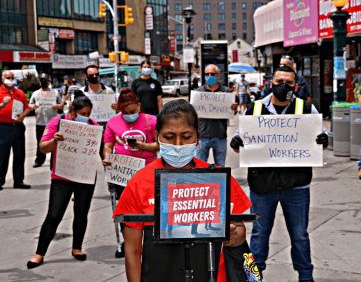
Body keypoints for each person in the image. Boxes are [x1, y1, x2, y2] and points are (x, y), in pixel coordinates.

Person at [112, 99, 252, 282]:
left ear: (198, 137)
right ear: (157, 137)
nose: (178, 144)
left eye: (186, 137)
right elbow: (132, 250)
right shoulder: (139, 182)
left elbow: (240, 233)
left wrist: (233, 234)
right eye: (169, 137)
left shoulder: (218, 178)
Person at [230, 65, 329, 282]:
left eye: (289, 82)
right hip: (262, 184)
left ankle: (306, 277)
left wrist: (324, 140)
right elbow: (239, 145)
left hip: (297, 184)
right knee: (258, 235)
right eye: (279, 81)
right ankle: (253, 276)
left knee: (300, 236)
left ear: (296, 85)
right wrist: (236, 143)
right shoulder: (254, 109)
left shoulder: (307, 109)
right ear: (270, 83)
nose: (283, 86)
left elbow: (320, 139)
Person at [27, 91, 100, 269]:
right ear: (73, 111)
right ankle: (39, 254)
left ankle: (77, 248)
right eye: (83, 114)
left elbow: (101, 145)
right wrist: (54, 139)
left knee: (81, 214)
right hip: (62, 176)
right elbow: (43, 148)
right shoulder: (57, 122)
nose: (87, 117)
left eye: (89, 114)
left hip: (85, 176)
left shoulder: (92, 124)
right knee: (53, 215)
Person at [102, 88, 159, 257]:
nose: (129, 115)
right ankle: (128, 241)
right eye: (125, 112)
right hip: (121, 172)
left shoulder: (152, 120)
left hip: (147, 171)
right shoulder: (112, 122)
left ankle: (149, 241)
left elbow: (160, 145)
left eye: (133, 111)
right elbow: (107, 145)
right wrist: (107, 158)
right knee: (124, 208)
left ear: (139, 106)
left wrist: (143, 146)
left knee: (148, 207)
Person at [195, 64, 238, 168]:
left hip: (220, 135)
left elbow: (232, 113)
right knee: (200, 167)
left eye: (212, 74)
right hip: (202, 136)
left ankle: (220, 185)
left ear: (217, 76)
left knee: (220, 167)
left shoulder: (226, 91)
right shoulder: (198, 92)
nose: (209, 76)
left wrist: (234, 109)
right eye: (207, 74)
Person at [0, 71, 31, 190]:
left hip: (18, 127)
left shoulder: (19, 92)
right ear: (2, 79)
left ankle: (18, 180)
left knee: (19, 154)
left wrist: (23, 115)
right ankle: (0, 180)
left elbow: (27, 108)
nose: (10, 79)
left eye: (12, 78)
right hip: (3, 127)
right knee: (3, 155)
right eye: (8, 78)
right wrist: (3, 104)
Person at [29, 73, 64, 168]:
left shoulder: (55, 93)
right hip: (40, 122)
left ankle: (54, 162)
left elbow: (62, 105)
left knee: (54, 142)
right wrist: (32, 106)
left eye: (45, 80)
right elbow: (29, 105)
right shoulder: (36, 93)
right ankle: (39, 160)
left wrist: (59, 106)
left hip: (52, 123)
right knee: (40, 142)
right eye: (42, 80)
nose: (44, 82)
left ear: (49, 81)